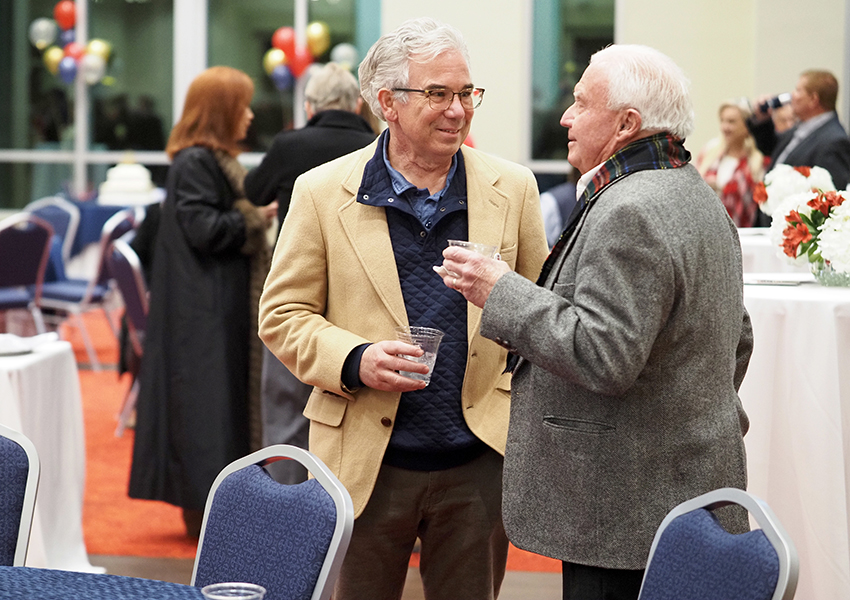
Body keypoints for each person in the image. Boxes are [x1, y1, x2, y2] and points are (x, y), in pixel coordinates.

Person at [434, 44, 753, 600]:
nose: (565, 117)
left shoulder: (630, 208)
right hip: (678, 492)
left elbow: (604, 354)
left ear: (626, 123)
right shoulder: (694, 194)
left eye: (581, 103)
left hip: (624, 511)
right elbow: (737, 337)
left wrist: (498, 290)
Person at [258, 17, 548, 600]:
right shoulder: (321, 191)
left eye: (466, 93)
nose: (458, 111)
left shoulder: (511, 188)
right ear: (387, 102)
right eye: (437, 94)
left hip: (477, 460)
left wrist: (505, 301)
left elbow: (542, 312)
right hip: (365, 458)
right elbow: (282, 313)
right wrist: (355, 358)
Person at [128, 66, 277, 538]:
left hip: (212, 307)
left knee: (219, 412)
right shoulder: (196, 162)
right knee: (206, 416)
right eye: (243, 106)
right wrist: (254, 215)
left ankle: (221, 507)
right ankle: (207, 512)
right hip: (203, 315)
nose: (250, 116)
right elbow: (204, 230)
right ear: (221, 113)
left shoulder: (207, 162)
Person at [245, 62, 377, 484]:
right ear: (357, 103)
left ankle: (288, 511)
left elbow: (253, 191)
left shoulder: (289, 145)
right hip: (361, 288)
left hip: (298, 280)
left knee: (287, 405)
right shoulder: (376, 145)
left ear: (309, 105)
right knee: (357, 407)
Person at [748, 70, 850, 224]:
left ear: (813, 99)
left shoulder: (834, 140)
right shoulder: (802, 128)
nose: (792, 96)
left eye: (798, 90)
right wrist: (763, 120)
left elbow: (830, 199)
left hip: (796, 230)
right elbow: (772, 148)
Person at [695, 99, 765, 227]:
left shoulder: (757, 160)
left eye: (731, 122)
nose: (725, 127)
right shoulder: (710, 152)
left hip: (743, 233)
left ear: (747, 124)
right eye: (722, 121)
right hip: (707, 229)